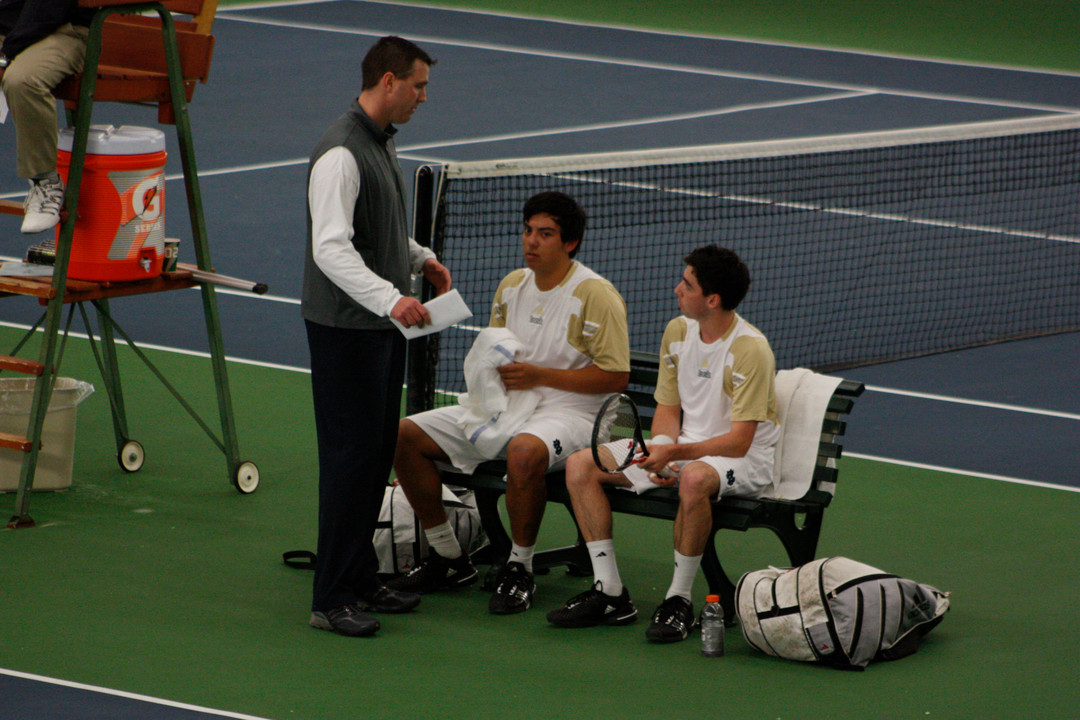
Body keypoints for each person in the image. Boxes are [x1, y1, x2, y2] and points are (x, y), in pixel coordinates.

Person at [389, 191, 630, 615]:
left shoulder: (595, 294)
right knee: (405, 435)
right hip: (509, 407)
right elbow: (496, 351)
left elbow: (615, 376)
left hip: (573, 414)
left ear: (570, 242)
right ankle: (448, 558)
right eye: (528, 231)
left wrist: (540, 376)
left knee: (523, 451)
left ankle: (519, 568)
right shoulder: (512, 286)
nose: (531, 241)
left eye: (545, 234)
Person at [546, 245, 780, 643]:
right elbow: (668, 407)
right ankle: (610, 593)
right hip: (684, 449)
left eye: (686, 285)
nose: (676, 289)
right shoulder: (677, 331)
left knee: (694, 481)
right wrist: (664, 452)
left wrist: (674, 456)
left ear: (712, 299)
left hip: (743, 460)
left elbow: (741, 442)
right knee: (581, 465)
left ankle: (679, 600)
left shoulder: (749, 350)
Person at [302, 35, 451, 638]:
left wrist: (419, 258)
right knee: (348, 461)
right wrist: (392, 298)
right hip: (347, 331)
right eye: (417, 85)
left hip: (378, 328)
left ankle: (359, 576)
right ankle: (330, 596)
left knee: (371, 457)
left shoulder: (379, 145)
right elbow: (331, 248)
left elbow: (378, 228)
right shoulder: (340, 153)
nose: (422, 97)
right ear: (388, 81)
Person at [0, 0, 93, 233]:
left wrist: (6, 53)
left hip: (65, 30)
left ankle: (45, 182)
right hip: (13, 29)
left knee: (23, 81)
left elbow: (46, 10)